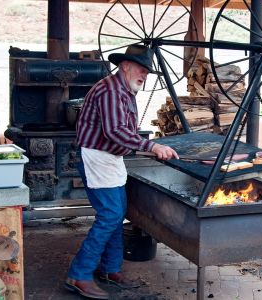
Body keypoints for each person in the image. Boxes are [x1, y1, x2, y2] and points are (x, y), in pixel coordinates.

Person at [65, 44, 179, 300]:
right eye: (141, 69)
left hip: (111, 158)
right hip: (96, 156)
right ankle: (79, 274)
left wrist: (146, 148)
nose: (144, 75)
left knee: (118, 213)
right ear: (125, 66)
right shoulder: (109, 90)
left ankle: (110, 269)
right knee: (110, 215)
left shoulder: (126, 90)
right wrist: (151, 145)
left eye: (147, 72)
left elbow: (123, 133)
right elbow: (115, 131)